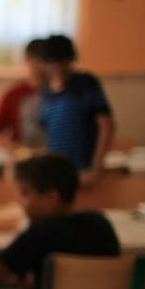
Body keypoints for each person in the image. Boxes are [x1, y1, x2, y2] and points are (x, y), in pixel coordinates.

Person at [0, 154, 121, 289]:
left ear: (52, 197)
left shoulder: (40, 232)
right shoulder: (102, 224)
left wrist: (23, 282)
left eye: (25, 193)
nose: (21, 202)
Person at [39, 35, 115, 184]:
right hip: (56, 169)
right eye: (53, 64)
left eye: (63, 63)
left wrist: (96, 166)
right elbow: (46, 133)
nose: (58, 69)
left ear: (71, 61)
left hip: (84, 168)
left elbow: (106, 125)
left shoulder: (86, 84)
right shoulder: (46, 92)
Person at [0, 39, 47, 153]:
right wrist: (16, 149)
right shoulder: (14, 94)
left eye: (44, 61)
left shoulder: (60, 94)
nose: (40, 66)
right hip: (24, 157)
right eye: (36, 61)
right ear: (27, 60)